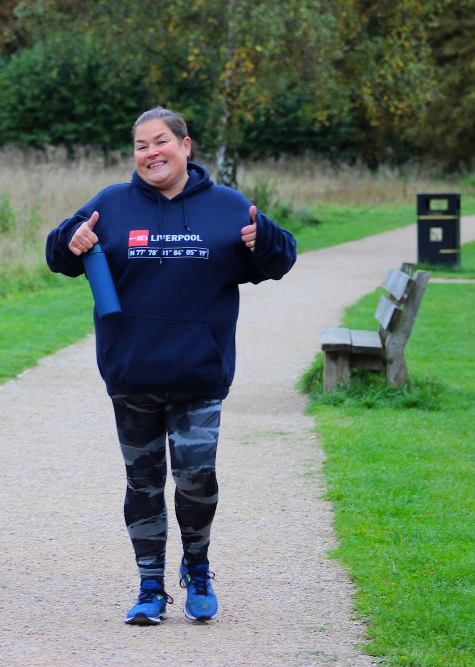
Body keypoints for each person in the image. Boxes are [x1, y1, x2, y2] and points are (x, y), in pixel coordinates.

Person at [45, 107, 296, 625]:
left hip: (198, 374)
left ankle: (198, 569)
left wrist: (263, 239)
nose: (150, 153)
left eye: (160, 141)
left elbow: (280, 259)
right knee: (143, 484)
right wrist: (72, 239)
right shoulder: (112, 204)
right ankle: (150, 586)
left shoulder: (227, 207)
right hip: (131, 373)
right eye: (140, 145)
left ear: (186, 146)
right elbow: (59, 253)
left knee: (196, 478)